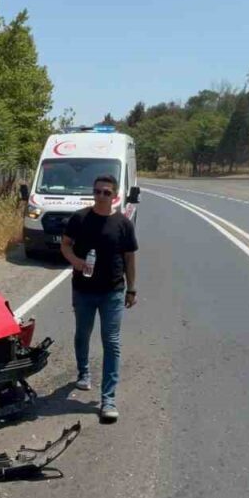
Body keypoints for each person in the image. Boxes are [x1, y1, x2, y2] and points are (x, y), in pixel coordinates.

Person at [59, 174, 138, 422]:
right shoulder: (80, 218)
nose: (101, 195)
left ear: (114, 195)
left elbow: (129, 259)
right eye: (97, 191)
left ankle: (108, 399)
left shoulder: (123, 224)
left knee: (111, 342)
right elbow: (65, 245)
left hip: (113, 291)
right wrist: (76, 262)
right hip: (83, 290)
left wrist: (132, 289)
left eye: (106, 192)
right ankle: (84, 373)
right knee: (83, 334)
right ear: (92, 193)